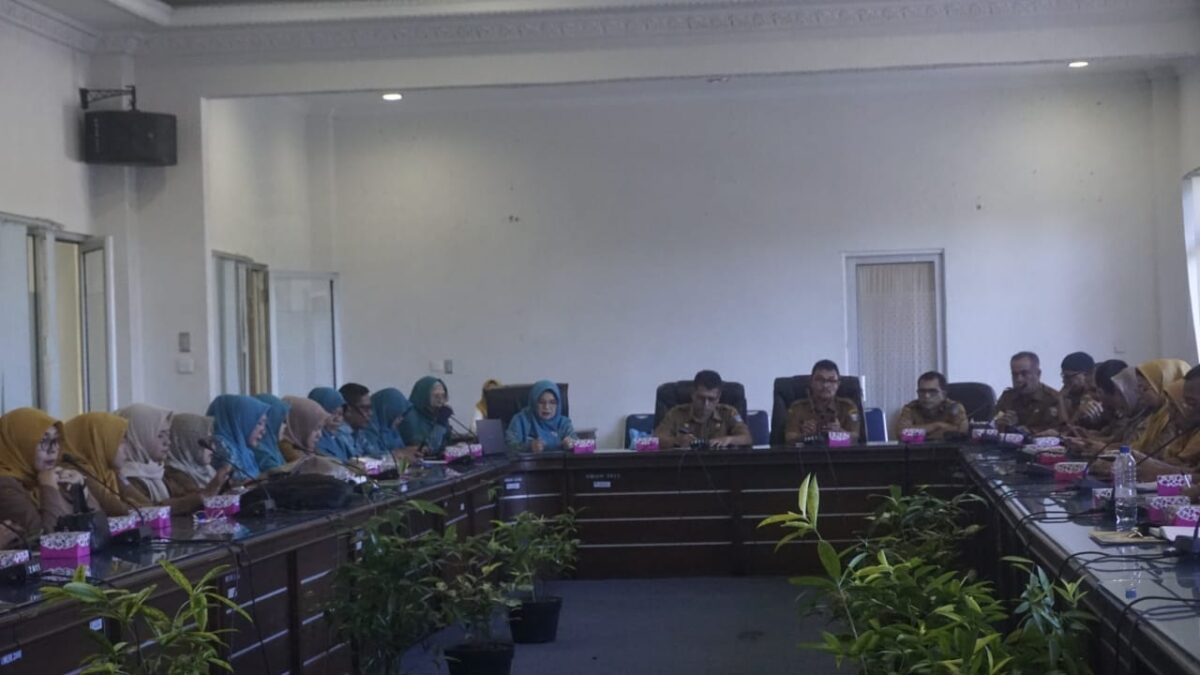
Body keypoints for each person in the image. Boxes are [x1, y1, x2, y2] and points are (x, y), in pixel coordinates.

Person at [0, 407, 95, 538]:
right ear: (18, 444)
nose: (53, 450)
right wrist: (49, 487)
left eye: (56, 440)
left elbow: (96, 525)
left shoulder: (42, 476)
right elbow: (51, 539)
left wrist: (81, 488)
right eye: (43, 441)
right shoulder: (5, 485)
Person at [116, 404, 218, 514]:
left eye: (167, 435)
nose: (167, 442)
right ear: (139, 437)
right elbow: (149, 512)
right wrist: (200, 497)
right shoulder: (127, 479)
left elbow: (188, 495)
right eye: (160, 436)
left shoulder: (161, 472)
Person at [62, 412, 140, 517]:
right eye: (121, 441)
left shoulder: (108, 472)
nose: (127, 449)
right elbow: (118, 509)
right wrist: (132, 505)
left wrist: (133, 505)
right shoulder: (74, 469)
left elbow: (144, 503)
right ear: (98, 441)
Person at [654, 370, 751, 449]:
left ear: (718, 398)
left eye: (711, 399)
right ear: (693, 394)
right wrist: (677, 441)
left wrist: (728, 440)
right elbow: (656, 440)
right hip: (683, 464)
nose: (706, 404)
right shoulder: (676, 413)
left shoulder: (729, 412)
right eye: (701, 398)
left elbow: (747, 438)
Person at [784, 360, 861, 444]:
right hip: (807, 452)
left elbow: (855, 439)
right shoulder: (797, 408)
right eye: (820, 380)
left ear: (838, 384)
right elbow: (789, 439)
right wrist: (805, 436)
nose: (825, 385)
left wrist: (839, 432)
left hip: (839, 452)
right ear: (811, 382)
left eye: (831, 381)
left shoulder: (848, 407)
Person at [164, 413, 231, 499]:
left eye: (212, 441)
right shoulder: (173, 475)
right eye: (207, 442)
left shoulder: (208, 470)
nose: (213, 447)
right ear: (187, 443)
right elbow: (194, 503)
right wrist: (212, 488)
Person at [993, 352, 1060, 434]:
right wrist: (1000, 423)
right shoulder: (1008, 397)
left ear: (1038, 374)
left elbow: (1057, 431)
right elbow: (994, 420)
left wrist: (1020, 429)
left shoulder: (1053, 399)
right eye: (1015, 374)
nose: (1019, 379)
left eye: (1024, 374)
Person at [206, 394, 269, 481]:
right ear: (239, 421)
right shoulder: (220, 446)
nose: (263, 431)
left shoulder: (246, 451)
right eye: (259, 423)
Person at [506, 381, 577, 453]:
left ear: (558, 405)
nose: (546, 407)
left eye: (552, 402)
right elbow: (509, 446)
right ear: (533, 402)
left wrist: (571, 445)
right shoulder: (520, 420)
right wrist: (529, 447)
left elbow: (577, 443)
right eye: (541, 402)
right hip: (530, 460)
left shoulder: (564, 423)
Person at [895, 371, 968, 440]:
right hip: (919, 448)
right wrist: (937, 425)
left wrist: (918, 434)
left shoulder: (954, 407)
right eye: (922, 391)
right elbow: (901, 435)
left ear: (943, 394)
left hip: (948, 448)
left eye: (933, 391)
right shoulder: (911, 408)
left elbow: (961, 432)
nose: (926, 396)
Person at [401, 376, 452, 455]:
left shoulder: (437, 413)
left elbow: (445, 442)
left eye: (443, 395)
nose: (441, 400)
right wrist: (440, 424)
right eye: (436, 396)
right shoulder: (409, 416)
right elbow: (424, 451)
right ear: (423, 396)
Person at [361, 387, 417, 459]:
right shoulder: (366, 430)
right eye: (396, 415)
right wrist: (397, 454)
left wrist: (411, 451)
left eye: (402, 415)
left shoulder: (390, 429)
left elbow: (399, 449)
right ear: (386, 411)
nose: (401, 419)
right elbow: (371, 457)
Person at [1058, 352, 1107, 430]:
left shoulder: (1101, 393)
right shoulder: (1070, 392)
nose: (1064, 381)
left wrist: (1078, 414)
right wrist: (1060, 399)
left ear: (1087, 375)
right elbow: (1063, 427)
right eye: (1063, 376)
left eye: (1068, 377)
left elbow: (1068, 429)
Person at [309, 387, 358, 460]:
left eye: (340, 413)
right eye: (332, 413)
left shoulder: (339, 436)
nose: (338, 418)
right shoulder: (314, 438)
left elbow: (354, 459)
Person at [281, 396, 333, 460]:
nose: (320, 435)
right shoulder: (290, 456)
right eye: (316, 429)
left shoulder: (308, 451)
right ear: (300, 427)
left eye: (321, 428)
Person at [251, 394, 292, 472]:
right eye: (283, 421)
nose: (286, 426)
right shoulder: (260, 453)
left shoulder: (273, 448)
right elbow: (280, 475)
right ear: (271, 421)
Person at [339, 383, 377, 456]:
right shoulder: (339, 434)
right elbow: (355, 461)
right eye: (365, 408)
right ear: (348, 410)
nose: (370, 413)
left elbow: (374, 455)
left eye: (370, 408)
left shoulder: (358, 431)